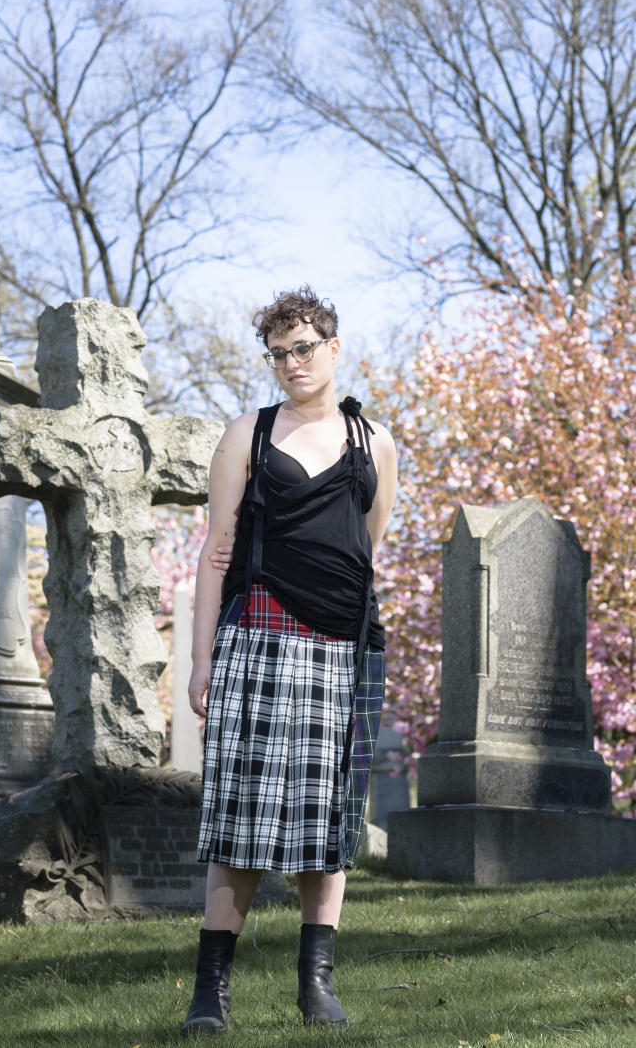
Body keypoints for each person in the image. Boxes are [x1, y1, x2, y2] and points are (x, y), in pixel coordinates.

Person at [181, 287, 398, 1036]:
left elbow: (368, 548)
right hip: (259, 640)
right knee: (238, 824)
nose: (291, 363)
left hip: (345, 653)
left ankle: (317, 985)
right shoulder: (249, 432)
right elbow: (216, 555)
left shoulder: (374, 445)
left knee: (329, 826)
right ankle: (210, 993)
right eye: (278, 353)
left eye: (303, 347)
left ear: (333, 348)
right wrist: (202, 658)